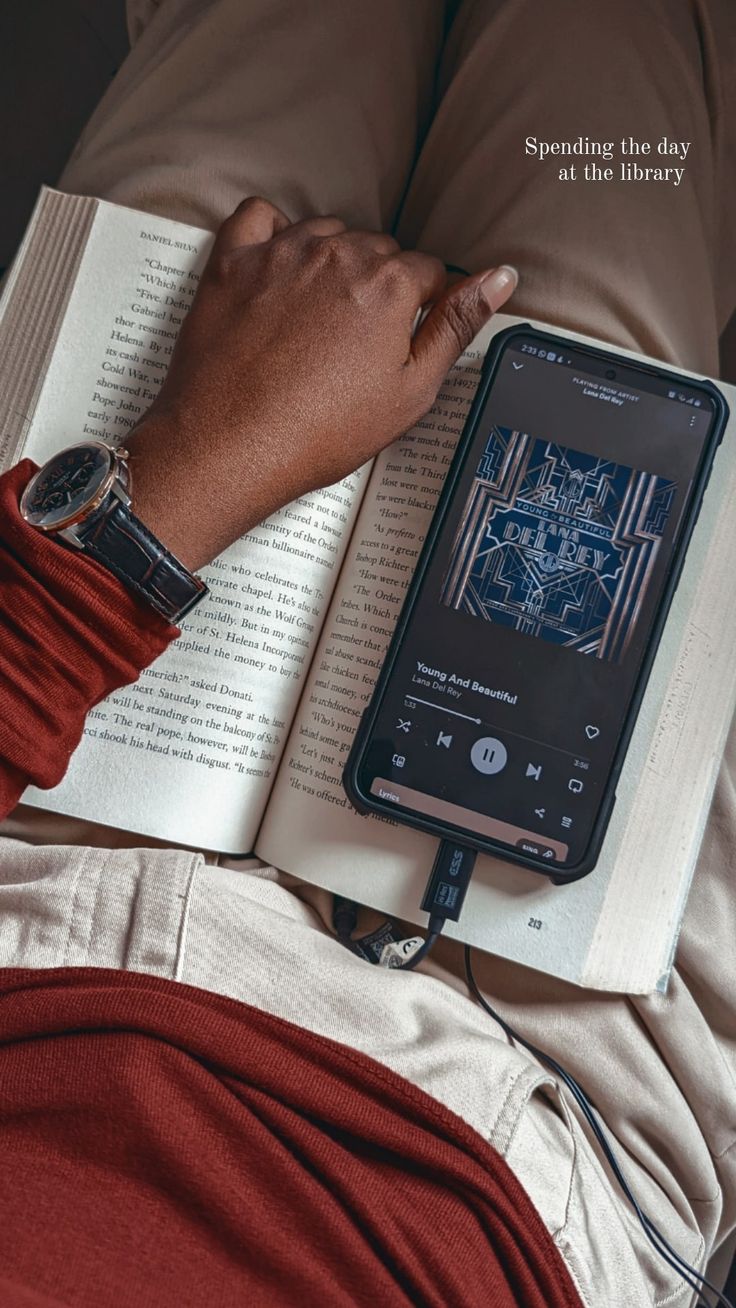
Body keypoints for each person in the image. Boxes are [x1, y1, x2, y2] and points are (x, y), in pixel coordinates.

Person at [1, 1, 735, 1304]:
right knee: (609, 104)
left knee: (254, 103)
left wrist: (181, 479)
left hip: (41, 865)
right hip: (506, 1097)